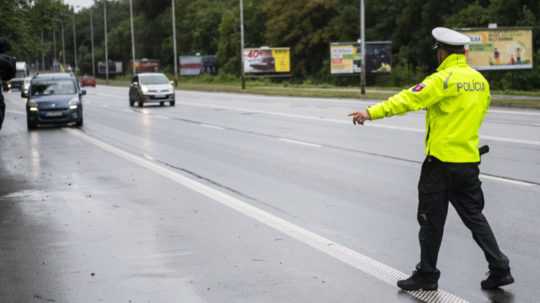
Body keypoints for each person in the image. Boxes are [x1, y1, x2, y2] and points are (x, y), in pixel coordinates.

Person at [349, 27, 513, 291]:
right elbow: (477, 115)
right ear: (464, 51)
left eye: (437, 50)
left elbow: (407, 99)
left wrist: (370, 112)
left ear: (442, 52)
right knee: (475, 217)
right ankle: (500, 268)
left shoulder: (442, 79)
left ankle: (427, 273)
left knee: (430, 220)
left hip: (440, 164)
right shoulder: (480, 82)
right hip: (468, 162)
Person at [0, 38, 17, 130]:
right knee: (1, 104)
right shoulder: (6, 60)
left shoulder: (5, 60)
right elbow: (10, 74)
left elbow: (9, 75)